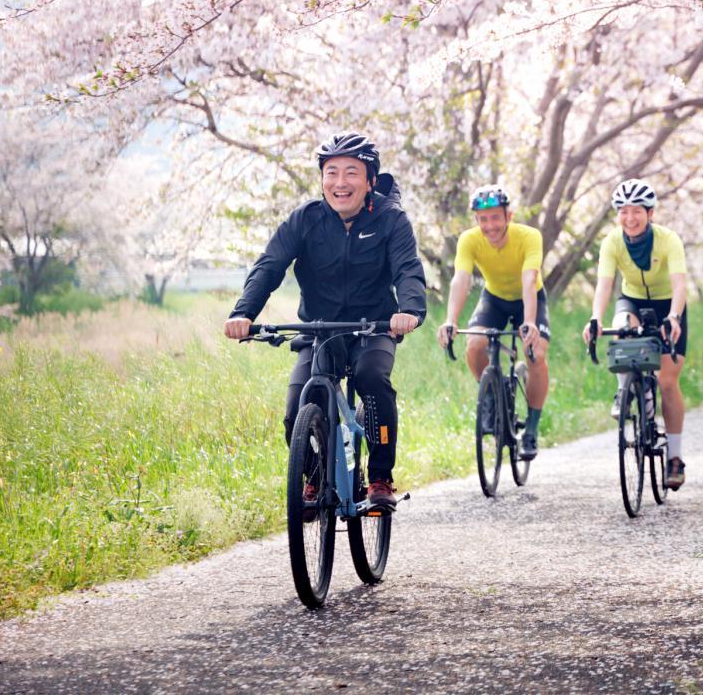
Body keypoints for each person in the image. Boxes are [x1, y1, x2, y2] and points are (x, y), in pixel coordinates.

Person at [223, 133, 426, 508]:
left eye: (351, 172)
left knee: (371, 378)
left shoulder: (391, 219)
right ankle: (316, 479)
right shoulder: (305, 220)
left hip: (374, 328)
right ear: (321, 180)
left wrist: (410, 310)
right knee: (298, 407)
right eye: (331, 172)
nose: (340, 182)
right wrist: (243, 313)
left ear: (370, 181)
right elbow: (269, 266)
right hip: (319, 330)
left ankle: (380, 477)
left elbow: (407, 270)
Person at [581, 178, 689, 490]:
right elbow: (604, 284)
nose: (630, 218)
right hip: (632, 300)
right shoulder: (612, 242)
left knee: (667, 381)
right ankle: (624, 391)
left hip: (668, 304)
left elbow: (680, 284)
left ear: (650, 213)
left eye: (637, 211)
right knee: (621, 326)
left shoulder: (668, 240)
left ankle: (675, 458)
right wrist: (595, 318)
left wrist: (674, 317)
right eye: (623, 211)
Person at [436, 185, 552, 460]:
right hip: (494, 298)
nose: (490, 225)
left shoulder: (529, 236)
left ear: (509, 216)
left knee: (535, 355)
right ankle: (489, 395)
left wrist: (529, 322)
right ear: (476, 220)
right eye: (483, 219)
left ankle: (531, 429)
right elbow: (461, 279)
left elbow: (529, 279)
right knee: (475, 345)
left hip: (529, 298)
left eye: (496, 218)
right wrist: (451, 320)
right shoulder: (469, 239)